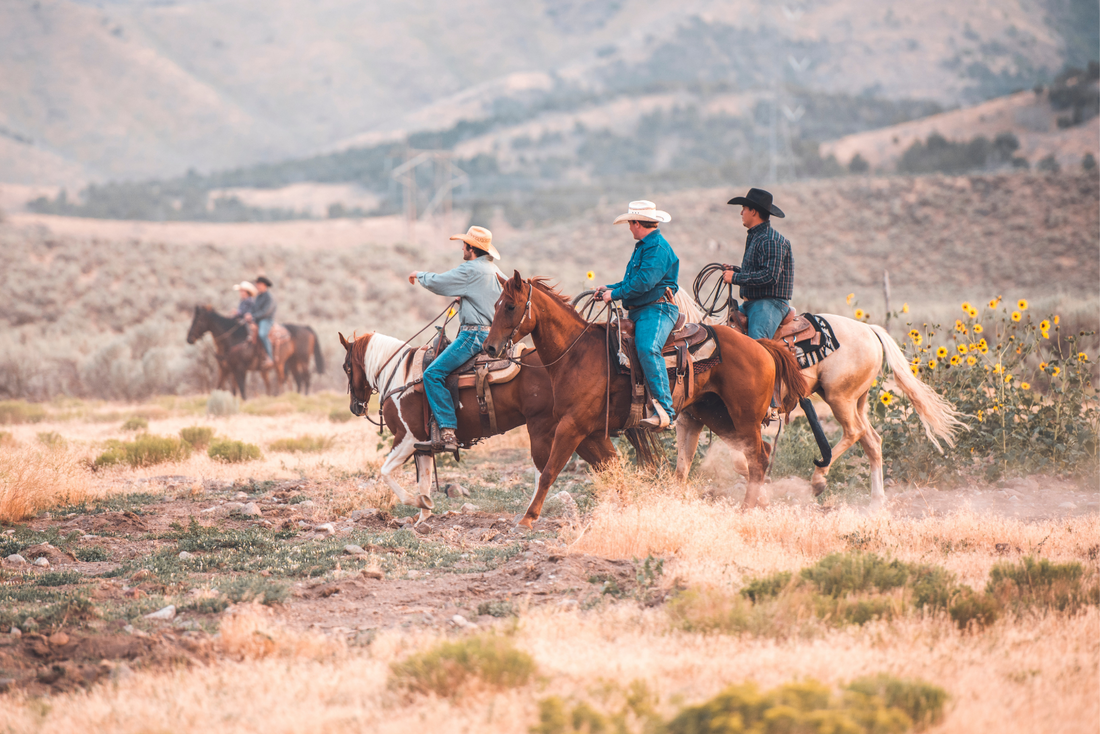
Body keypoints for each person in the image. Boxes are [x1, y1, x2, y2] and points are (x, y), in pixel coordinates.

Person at [407, 226, 504, 452]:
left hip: (473, 335)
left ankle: (448, 430)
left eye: (464, 244)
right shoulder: (494, 270)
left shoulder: (470, 269)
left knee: (432, 373)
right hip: (492, 334)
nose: (462, 247)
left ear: (472, 249)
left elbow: (440, 282)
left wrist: (419, 275)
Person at [598, 200, 680, 431]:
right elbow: (632, 282)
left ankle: (666, 411)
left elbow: (644, 283)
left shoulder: (657, 248)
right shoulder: (645, 246)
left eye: (629, 223)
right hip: (641, 309)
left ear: (636, 223)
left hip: (656, 309)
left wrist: (615, 294)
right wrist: (609, 288)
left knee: (647, 347)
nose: (629, 228)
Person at [722, 188, 793, 340]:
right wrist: (736, 271)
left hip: (769, 304)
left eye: (744, 209)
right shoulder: (758, 237)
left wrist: (735, 278)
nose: (741, 213)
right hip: (753, 303)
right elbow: (758, 271)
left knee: (757, 343)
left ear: (753, 212)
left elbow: (769, 276)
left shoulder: (771, 240)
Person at [248, 276, 277, 366]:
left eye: (259, 284)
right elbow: (254, 308)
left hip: (266, 320)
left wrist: (253, 316)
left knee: (262, 334)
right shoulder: (258, 297)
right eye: (257, 284)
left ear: (265, 285)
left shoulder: (269, 297)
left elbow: (265, 312)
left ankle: (270, 357)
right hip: (257, 319)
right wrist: (249, 314)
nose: (257, 286)